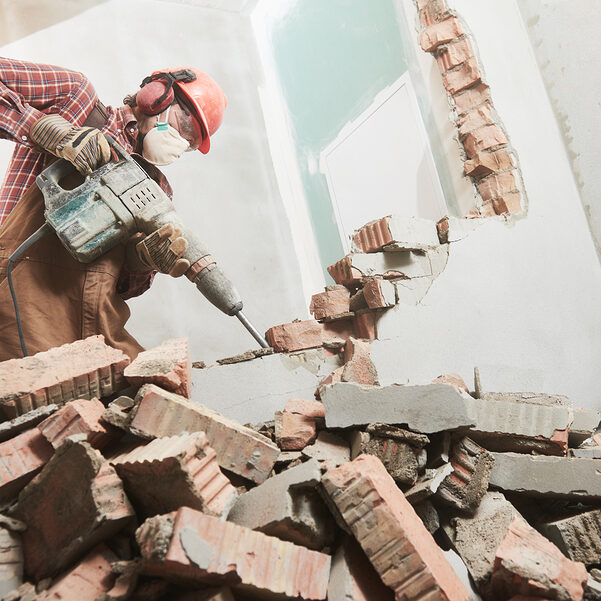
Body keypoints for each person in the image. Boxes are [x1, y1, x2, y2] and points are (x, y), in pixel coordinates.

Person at [0, 57, 227, 360]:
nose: (181, 143)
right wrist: (44, 129)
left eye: (190, 143)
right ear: (157, 95)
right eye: (185, 126)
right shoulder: (75, 99)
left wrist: (143, 260)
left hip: (82, 331)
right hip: (14, 294)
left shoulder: (158, 190)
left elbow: (118, 289)